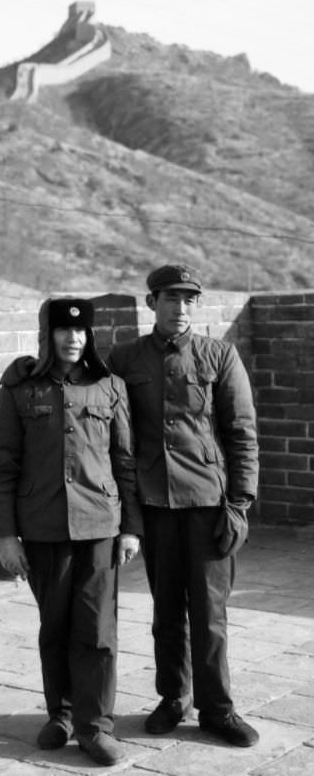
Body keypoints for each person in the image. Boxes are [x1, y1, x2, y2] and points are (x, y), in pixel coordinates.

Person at [0, 297, 143, 767]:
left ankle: (96, 728)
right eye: (63, 330)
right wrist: (5, 536)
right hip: (42, 527)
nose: (74, 339)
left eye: (82, 332)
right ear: (46, 334)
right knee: (53, 627)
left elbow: (126, 461)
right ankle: (62, 714)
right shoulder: (19, 389)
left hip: (99, 526)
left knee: (97, 630)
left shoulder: (109, 386)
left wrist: (131, 528)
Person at [107, 264, 259, 747]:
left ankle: (218, 709)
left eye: (190, 300)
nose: (181, 308)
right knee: (166, 610)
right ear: (151, 303)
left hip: (208, 503)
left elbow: (242, 435)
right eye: (171, 299)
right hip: (154, 504)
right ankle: (174, 698)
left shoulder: (219, 355)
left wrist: (239, 504)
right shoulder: (126, 359)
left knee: (210, 613)